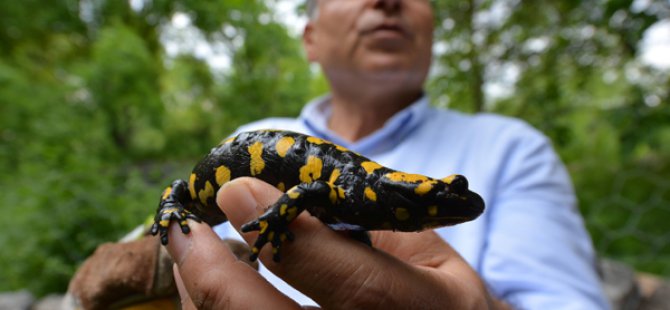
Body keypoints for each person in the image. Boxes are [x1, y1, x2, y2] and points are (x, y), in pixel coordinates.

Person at [166, 0, 609, 308]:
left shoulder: (512, 148)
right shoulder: (246, 134)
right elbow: (169, 222)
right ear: (311, 39)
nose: (388, 2)